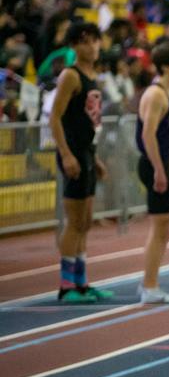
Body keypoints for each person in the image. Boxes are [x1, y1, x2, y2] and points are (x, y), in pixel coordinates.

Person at [48, 22, 114, 304]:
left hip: (85, 152)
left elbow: (87, 121)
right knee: (75, 221)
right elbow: (55, 117)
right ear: (74, 45)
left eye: (96, 41)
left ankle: (83, 282)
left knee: (86, 221)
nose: (93, 46)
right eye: (86, 42)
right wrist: (66, 154)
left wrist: (94, 157)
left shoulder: (92, 75)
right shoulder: (70, 76)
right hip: (72, 152)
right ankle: (66, 286)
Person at [136, 42, 169, 303]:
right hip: (151, 164)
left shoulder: (163, 93)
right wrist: (159, 169)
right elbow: (148, 134)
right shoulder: (156, 94)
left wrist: (168, 166)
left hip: (158, 163)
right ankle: (149, 286)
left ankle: (150, 281)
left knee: (167, 226)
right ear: (167, 66)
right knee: (160, 227)